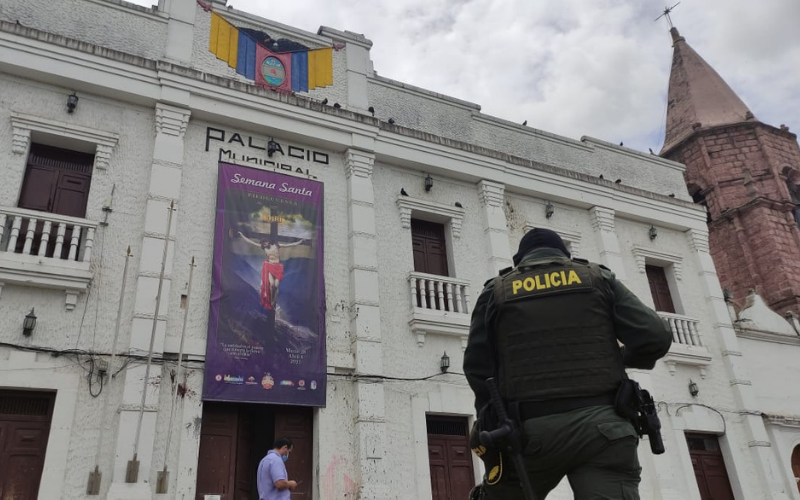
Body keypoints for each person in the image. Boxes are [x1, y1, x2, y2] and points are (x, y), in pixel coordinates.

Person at [464, 228, 672, 499]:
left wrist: (493, 421)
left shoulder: (497, 291)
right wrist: (624, 359)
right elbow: (656, 337)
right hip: (605, 430)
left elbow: (477, 366)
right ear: (565, 255)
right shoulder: (597, 278)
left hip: (529, 434)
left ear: (520, 261)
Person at [238, 232, 305, 311]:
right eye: (264, 243)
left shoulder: (276, 245)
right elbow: (251, 242)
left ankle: (273, 301)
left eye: (266, 242)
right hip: (269, 266)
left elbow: (290, 245)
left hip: (278, 267)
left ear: (268, 241)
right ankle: (271, 302)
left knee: (276, 286)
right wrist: (242, 235)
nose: (265, 244)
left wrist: (300, 242)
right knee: (271, 285)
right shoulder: (264, 247)